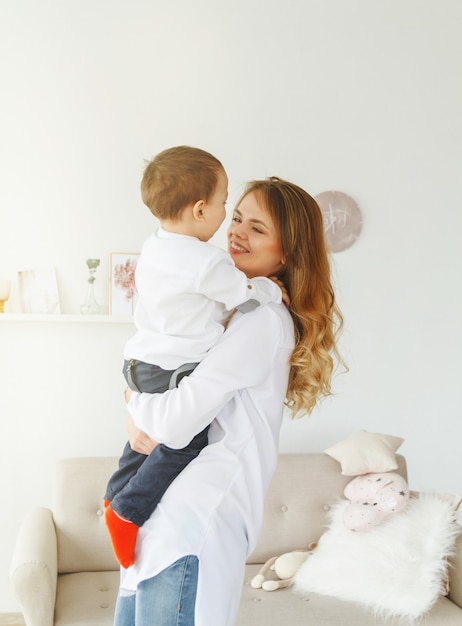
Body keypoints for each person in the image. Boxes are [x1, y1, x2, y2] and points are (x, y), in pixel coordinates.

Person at [114, 176, 344, 626]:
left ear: (288, 253)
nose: (237, 232)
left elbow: (173, 423)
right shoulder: (229, 309)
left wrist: (131, 400)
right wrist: (135, 403)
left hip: (193, 518)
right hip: (166, 518)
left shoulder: (264, 321)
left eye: (257, 228)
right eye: (237, 217)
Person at [104, 146, 284, 569]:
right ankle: (128, 508)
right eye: (230, 209)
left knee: (139, 444)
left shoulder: (155, 245)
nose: (233, 226)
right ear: (201, 210)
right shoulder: (208, 264)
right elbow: (243, 295)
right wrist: (271, 290)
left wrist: (136, 407)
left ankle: (115, 491)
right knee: (186, 440)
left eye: (254, 226)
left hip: (139, 365)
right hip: (170, 371)